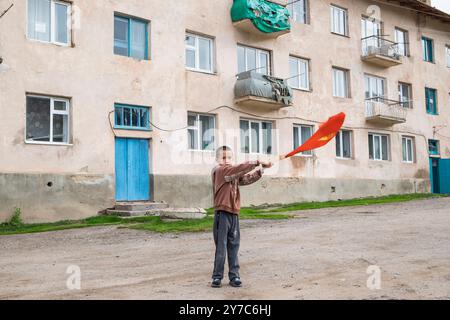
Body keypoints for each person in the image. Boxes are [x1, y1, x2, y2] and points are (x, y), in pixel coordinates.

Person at [210, 146, 272, 288]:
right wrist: (257, 161)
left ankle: (234, 276)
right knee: (221, 247)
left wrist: (262, 169)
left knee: (234, 246)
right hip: (222, 214)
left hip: (234, 214)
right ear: (217, 159)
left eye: (229, 157)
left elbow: (246, 178)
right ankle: (217, 277)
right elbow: (237, 170)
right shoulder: (219, 171)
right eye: (223, 157)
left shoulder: (233, 173)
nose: (227, 160)